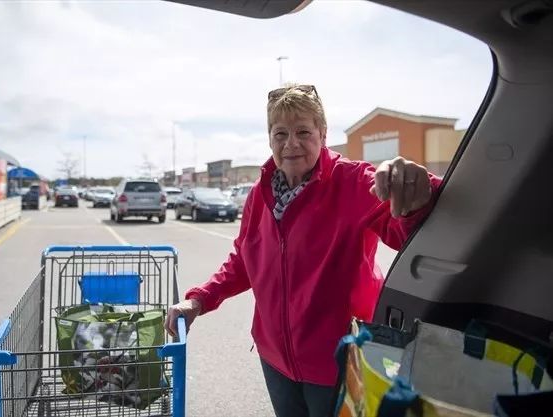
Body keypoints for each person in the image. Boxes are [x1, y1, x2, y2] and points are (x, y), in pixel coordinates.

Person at [165, 84, 442, 417]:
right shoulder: (259, 193)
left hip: (337, 359)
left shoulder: (354, 182)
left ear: (322, 133)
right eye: (280, 133)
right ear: (270, 138)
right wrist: (199, 299)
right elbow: (243, 260)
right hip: (275, 357)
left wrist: (416, 190)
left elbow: (404, 230)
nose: (291, 143)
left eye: (303, 131)